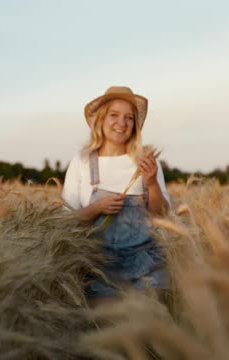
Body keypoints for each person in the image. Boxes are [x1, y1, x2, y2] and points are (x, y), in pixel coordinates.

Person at [61, 86, 171, 305]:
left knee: (145, 332)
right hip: (99, 264)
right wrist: (96, 208)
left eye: (129, 117)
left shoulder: (145, 161)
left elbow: (163, 215)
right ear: (101, 119)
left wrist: (151, 182)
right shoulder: (82, 161)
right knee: (108, 331)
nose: (122, 123)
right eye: (114, 115)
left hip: (146, 263)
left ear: (135, 125)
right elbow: (64, 220)